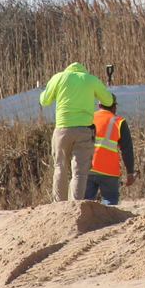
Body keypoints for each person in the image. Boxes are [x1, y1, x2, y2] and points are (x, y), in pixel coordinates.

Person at [39, 62, 114, 202]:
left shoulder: (58, 77)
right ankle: (75, 205)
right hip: (84, 130)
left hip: (62, 129)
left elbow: (44, 101)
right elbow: (108, 101)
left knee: (60, 167)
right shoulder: (90, 79)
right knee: (80, 171)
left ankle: (59, 205)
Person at [85, 98, 135, 205]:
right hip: (109, 170)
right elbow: (127, 149)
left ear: (99, 106)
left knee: (85, 202)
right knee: (110, 200)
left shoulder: (88, 118)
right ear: (114, 107)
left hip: (87, 166)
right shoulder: (119, 122)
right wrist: (130, 172)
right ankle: (108, 221)